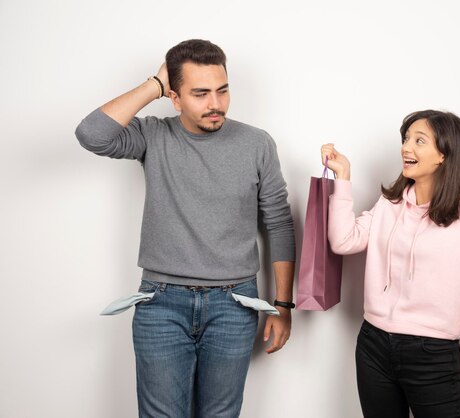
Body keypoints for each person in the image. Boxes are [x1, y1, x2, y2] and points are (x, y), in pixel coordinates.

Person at [75, 39, 296, 418]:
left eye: (222, 90)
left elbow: (278, 223)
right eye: (200, 93)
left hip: (235, 304)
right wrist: (153, 85)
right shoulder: (153, 135)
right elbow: (92, 134)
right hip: (161, 304)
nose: (216, 104)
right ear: (175, 98)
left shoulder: (257, 143)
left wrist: (283, 306)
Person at [321, 110, 460, 418]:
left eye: (419, 140)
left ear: (443, 154)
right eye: (406, 138)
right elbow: (343, 241)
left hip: (432, 353)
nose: (406, 148)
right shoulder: (389, 204)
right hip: (373, 344)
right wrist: (343, 178)